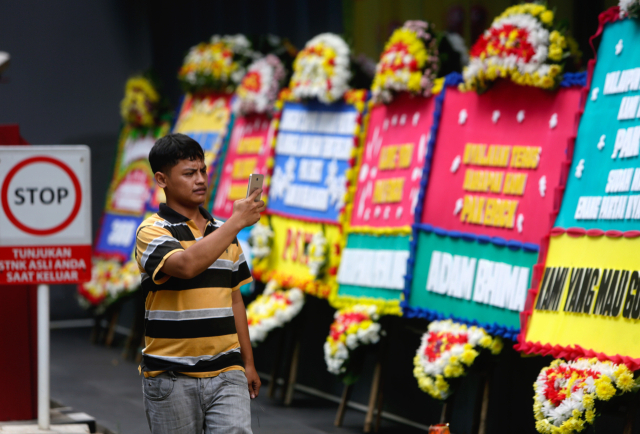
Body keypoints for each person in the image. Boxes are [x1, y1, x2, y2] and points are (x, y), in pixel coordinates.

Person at [135, 133, 265, 433]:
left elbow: (235, 300)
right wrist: (236, 222)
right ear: (161, 179)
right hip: (171, 376)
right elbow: (187, 265)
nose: (201, 180)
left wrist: (248, 363)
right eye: (189, 173)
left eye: (203, 171)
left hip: (227, 372)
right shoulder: (151, 230)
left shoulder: (223, 231)